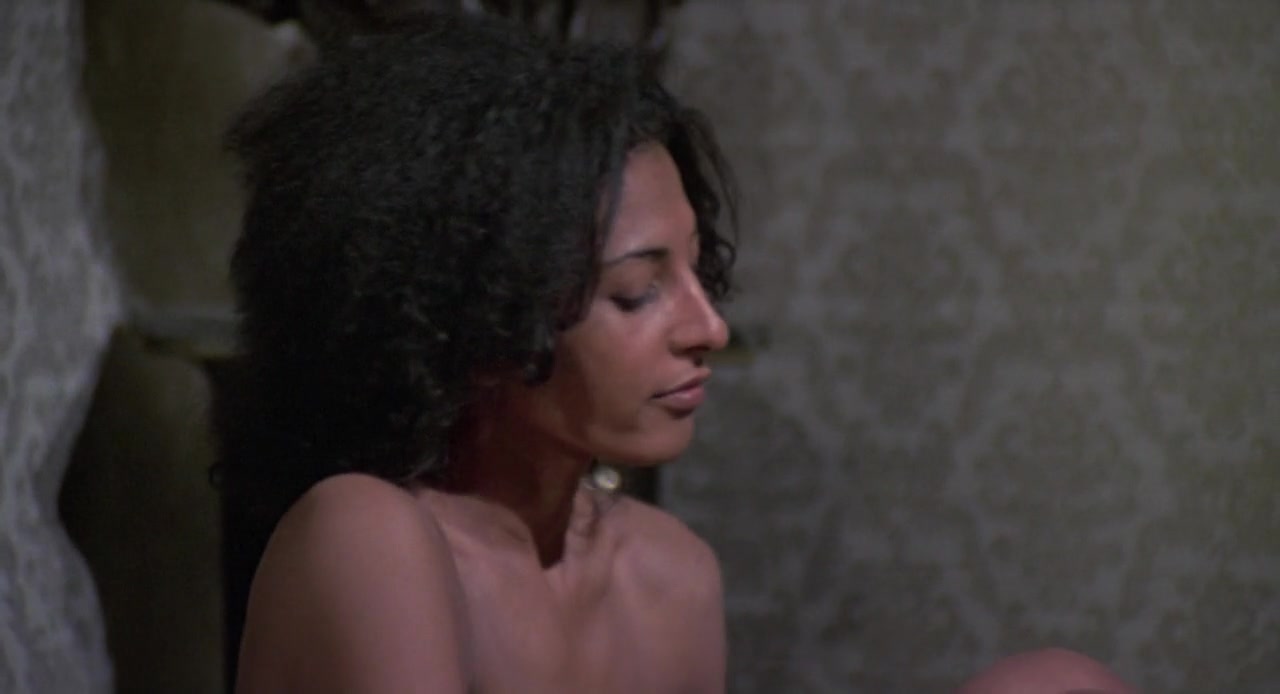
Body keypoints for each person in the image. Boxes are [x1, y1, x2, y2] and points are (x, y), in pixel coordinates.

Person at [212, 11, 1139, 694]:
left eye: (701, 272)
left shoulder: (667, 574)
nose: (708, 328)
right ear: (475, 313)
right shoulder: (366, 536)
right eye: (637, 290)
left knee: (1058, 683)